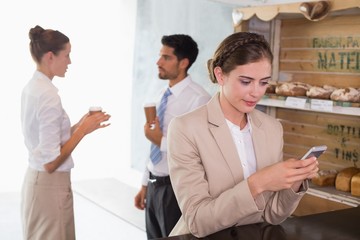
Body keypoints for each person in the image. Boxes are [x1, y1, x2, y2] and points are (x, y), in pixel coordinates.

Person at [167, 32, 319, 238]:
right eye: (246, 81)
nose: (256, 92)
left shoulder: (272, 128)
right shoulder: (185, 128)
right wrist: (258, 183)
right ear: (220, 75)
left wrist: (294, 181)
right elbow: (197, 221)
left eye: (263, 82)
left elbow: (273, 215)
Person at [20, 25, 111, 240]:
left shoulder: (34, 87)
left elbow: (47, 143)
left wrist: (81, 125)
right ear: (50, 56)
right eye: (67, 55)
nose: (70, 62)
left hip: (37, 184)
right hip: (50, 187)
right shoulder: (48, 95)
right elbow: (51, 162)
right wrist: (81, 132)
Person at [134, 34, 211, 239]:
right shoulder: (162, 94)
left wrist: (158, 139)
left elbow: (199, 150)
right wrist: (144, 183)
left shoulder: (200, 99)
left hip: (176, 190)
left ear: (184, 62)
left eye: (166, 57)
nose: (158, 62)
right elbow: (153, 144)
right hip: (154, 185)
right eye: (160, 56)